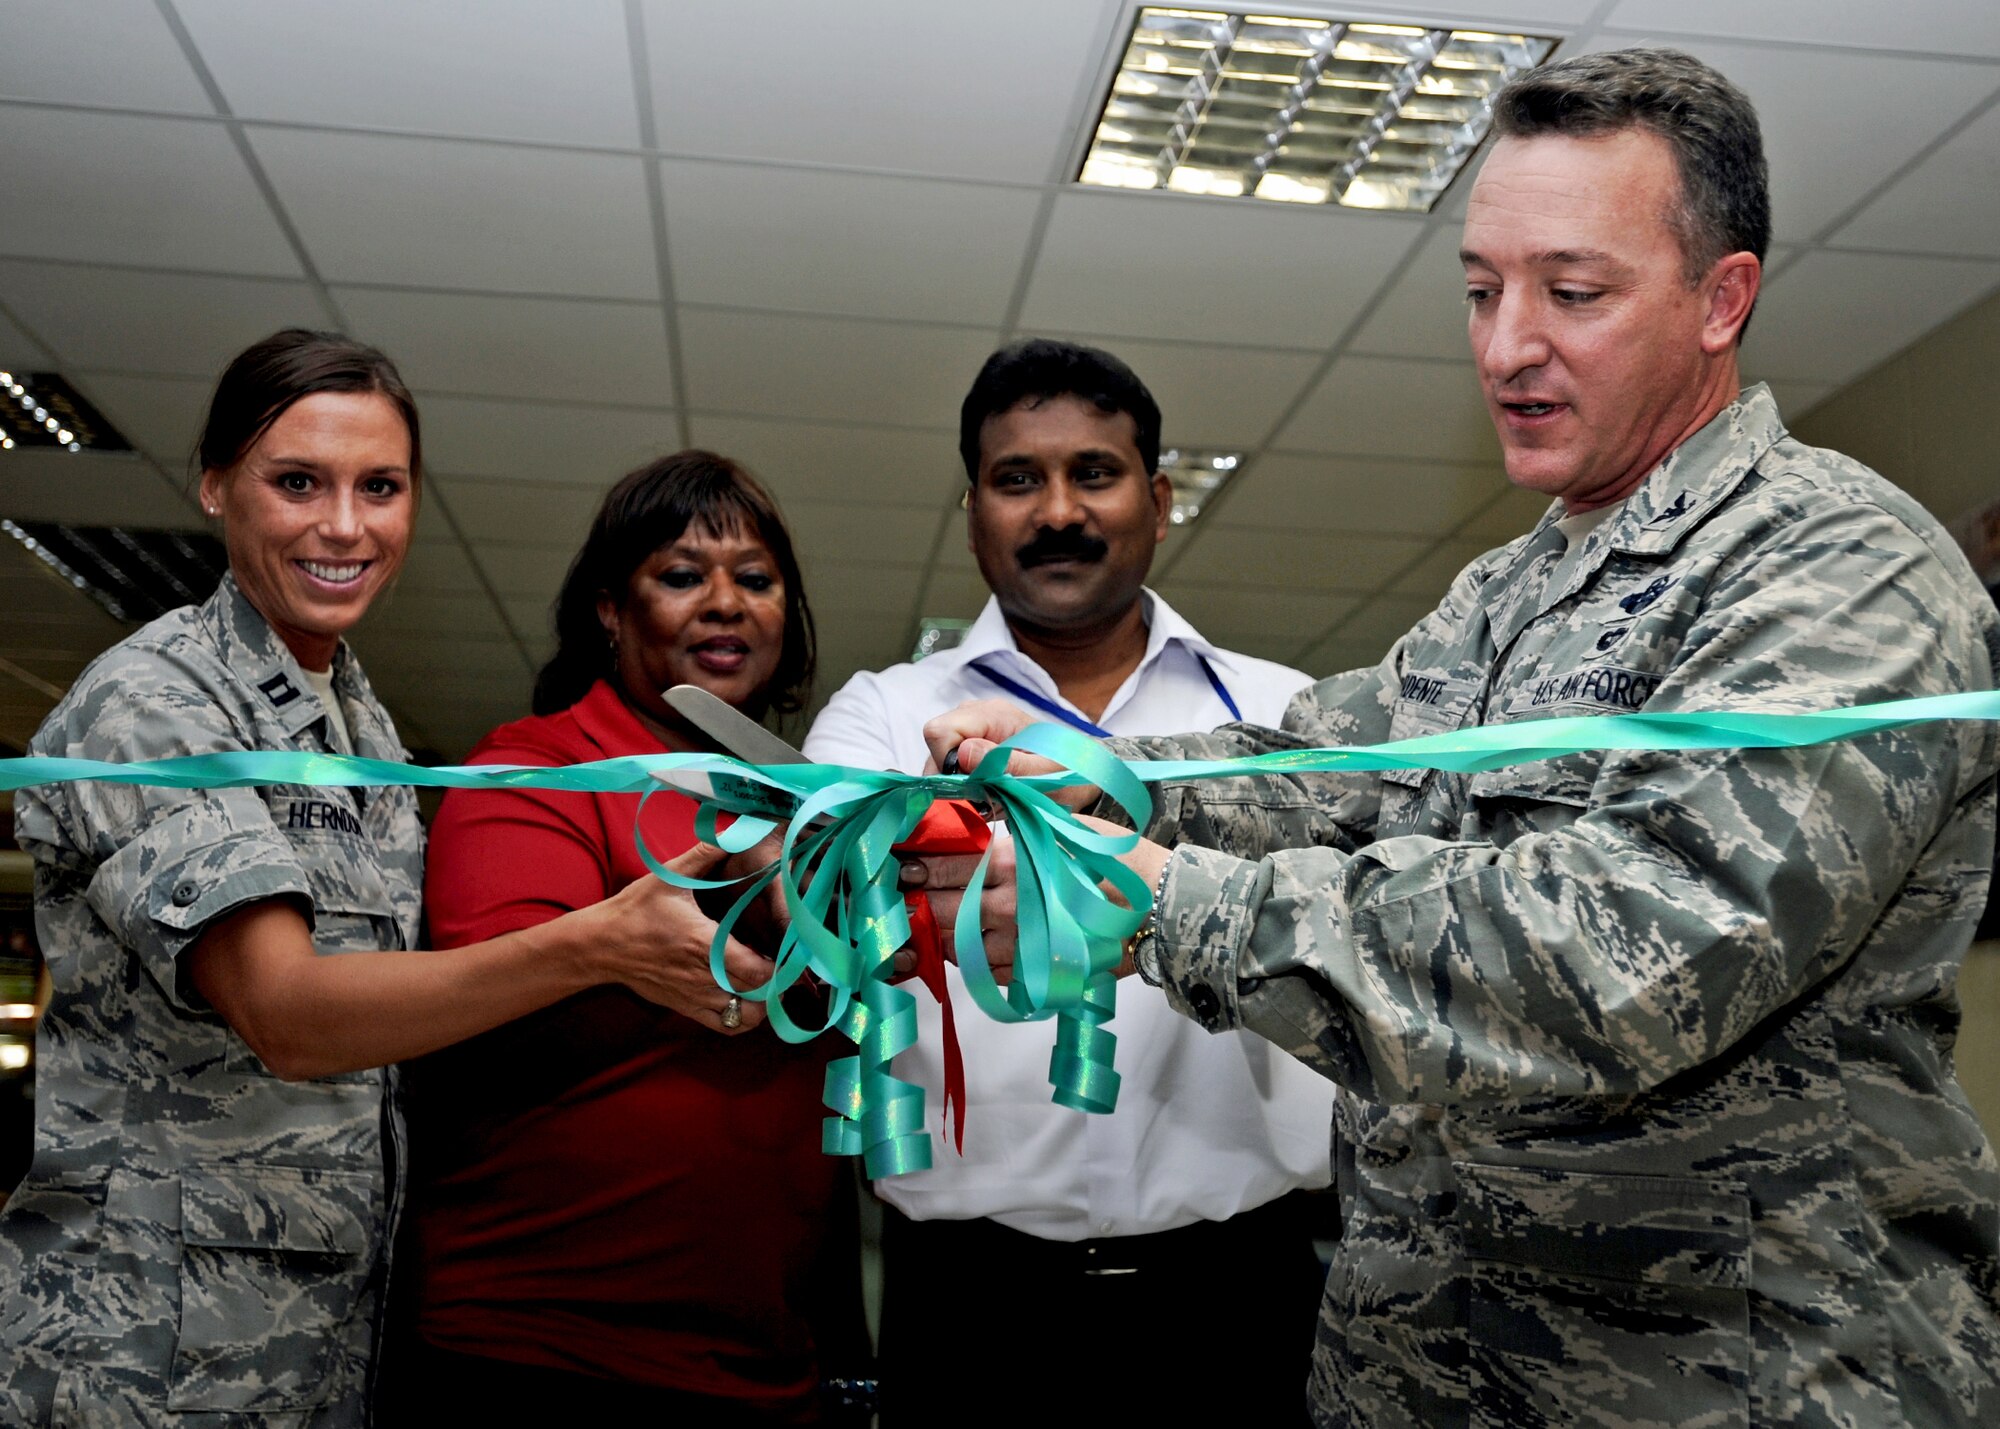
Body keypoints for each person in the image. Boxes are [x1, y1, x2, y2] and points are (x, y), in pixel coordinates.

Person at [915, 49, 2000, 1429]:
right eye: (1482, 291)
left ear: (1721, 298)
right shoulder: (1507, 592)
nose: (1504, 347)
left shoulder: (1840, 572)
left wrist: (1155, 902)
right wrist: (1104, 781)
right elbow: (1324, 775)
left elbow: (1630, 953)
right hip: (1422, 1375)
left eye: (1571, 292)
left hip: (1722, 1381)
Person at [0, 331, 747, 1427]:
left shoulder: (362, 728)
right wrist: (595, 942)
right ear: (215, 485)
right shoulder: (154, 704)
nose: (345, 526)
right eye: (298, 482)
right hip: (145, 1351)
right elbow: (289, 1013)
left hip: (311, 1337)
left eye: (380, 487)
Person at [805, 338, 1335, 1425]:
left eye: (1093, 472)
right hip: (971, 1309)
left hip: (1242, 1298)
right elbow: (822, 902)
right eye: (1017, 479)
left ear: (1159, 500)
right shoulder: (884, 716)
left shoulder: (1284, 715)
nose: (1057, 510)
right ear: (972, 514)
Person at [390, 451, 853, 1425]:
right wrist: (732, 905)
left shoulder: (805, 806)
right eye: (682, 575)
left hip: (762, 1361)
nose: (725, 603)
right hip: (547, 1352)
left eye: (756, 579)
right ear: (610, 608)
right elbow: (490, 1029)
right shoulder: (539, 770)